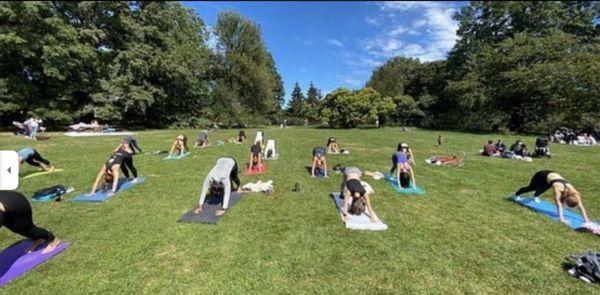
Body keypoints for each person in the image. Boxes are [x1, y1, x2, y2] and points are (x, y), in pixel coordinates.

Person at [513, 171, 589, 224]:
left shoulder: (574, 193)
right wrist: (561, 219)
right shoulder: (558, 189)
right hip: (541, 175)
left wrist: (586, 220)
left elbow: (581, 207)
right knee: (532, 188)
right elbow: (558, 204)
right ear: (566, 199)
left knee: (544, 188)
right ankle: (516, 195)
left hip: (551, 178)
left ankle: (535, 196)